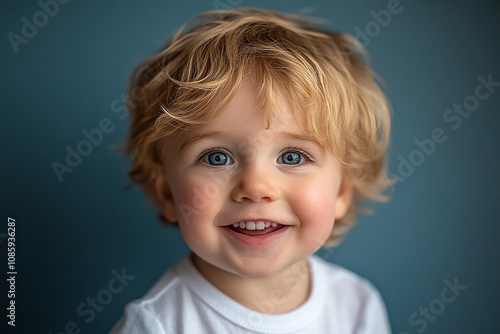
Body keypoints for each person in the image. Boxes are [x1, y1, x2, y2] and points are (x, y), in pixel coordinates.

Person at [111, 7, 392, 334]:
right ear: (167, 193)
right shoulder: (156, 325)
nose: (256, 186)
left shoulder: (357, 305)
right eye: (216, 157)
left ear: (343, 190)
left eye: (292, 157)